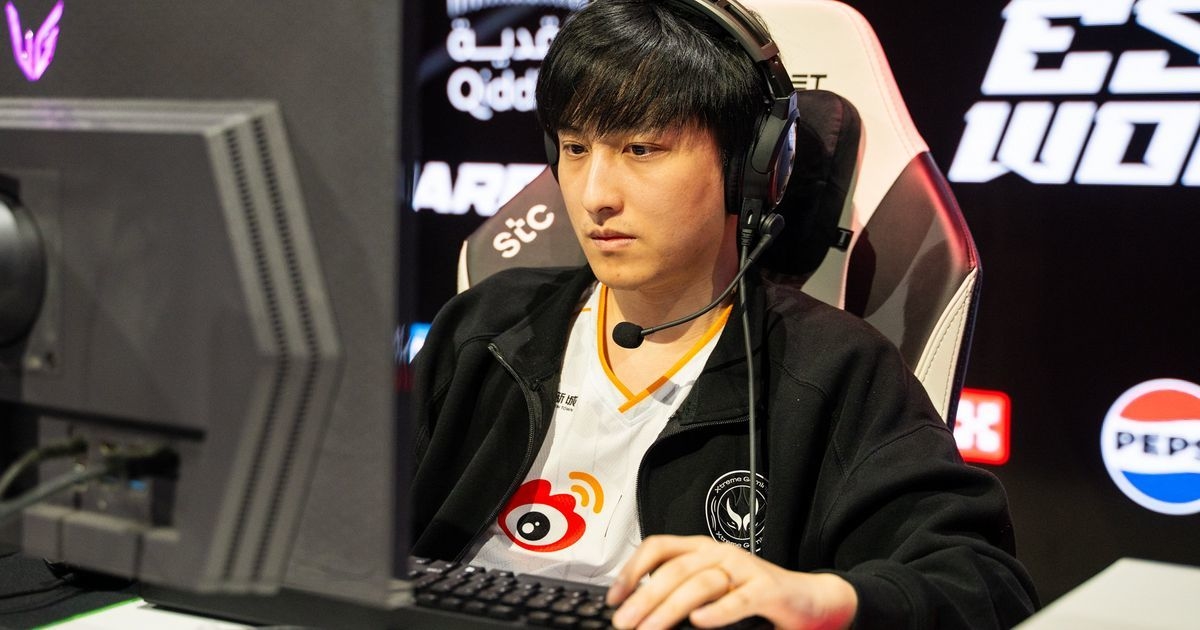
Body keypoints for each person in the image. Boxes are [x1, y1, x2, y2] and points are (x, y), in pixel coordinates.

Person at [411, 1, 1039, 628]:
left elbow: (985, 586)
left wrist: (818, 599)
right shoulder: (483, 328)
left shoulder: (835, 371)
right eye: (575, 148)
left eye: (640, 148)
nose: (594, 195)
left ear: (749, 169)